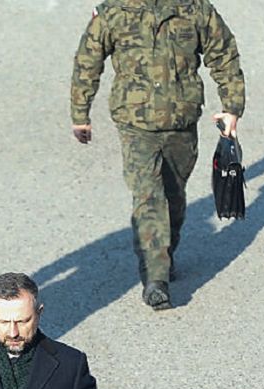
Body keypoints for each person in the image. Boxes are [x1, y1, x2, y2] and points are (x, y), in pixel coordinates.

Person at [70, 0, 245, 310]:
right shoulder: (114, 13)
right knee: (149, 198)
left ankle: (165, 253)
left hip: (182, 120)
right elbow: (88, 61)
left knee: (174, 198)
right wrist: (80, 113)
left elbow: (223, 53)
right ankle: (155, 277)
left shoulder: (194, 9)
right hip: (135, 124)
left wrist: (232, 107)